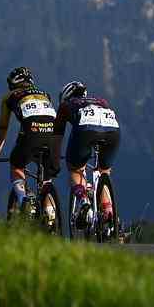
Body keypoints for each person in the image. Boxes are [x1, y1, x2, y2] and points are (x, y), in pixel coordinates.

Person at [0, 67, 61, 215]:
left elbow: (3, 128)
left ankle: (23, 200)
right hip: (54, 134)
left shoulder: (9, 97)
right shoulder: (45, 95)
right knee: (46, 178)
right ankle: (51, 214)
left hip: (32, 132)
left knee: (17, 165)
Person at [53, 80, 120, 227]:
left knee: (75, 169)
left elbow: (57, 137)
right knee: (104, 171)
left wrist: (55, 162)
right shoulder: (101, 101)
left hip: (86, 129)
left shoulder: (65, 106)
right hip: (113, 131)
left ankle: (83, 201)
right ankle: (109, 211)